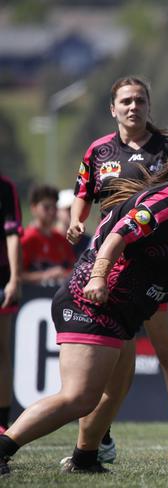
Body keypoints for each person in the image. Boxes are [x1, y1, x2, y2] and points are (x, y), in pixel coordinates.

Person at [0, 140, 168, 476]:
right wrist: (98, 278)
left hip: (120, 311)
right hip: (93, 300)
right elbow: (118, 235)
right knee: (79, 397)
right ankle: (4, 449)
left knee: (115, 389)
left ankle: (85, 458)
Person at [66, 76, 168, 465]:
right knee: (111, 366)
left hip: (154, 270)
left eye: (140, 100)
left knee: (167, 354)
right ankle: (97, 438)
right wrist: (77, 221)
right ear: (113, 108)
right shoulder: (98, 150)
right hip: (112, 269)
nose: (133, 106)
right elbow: (82, 195)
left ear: (148, 106)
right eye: (125, 101)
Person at [0, 174, 22, 435]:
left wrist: (15, 279)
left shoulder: (6, 187)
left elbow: (13, 234)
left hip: (2, 276)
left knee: (1, 349)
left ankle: (3, 421)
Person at [21, 185, 75, 287]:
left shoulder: (61, 239)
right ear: (33, 208)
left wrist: (63, 273)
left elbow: (72, 269)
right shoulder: (26, 238)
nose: (51, 211)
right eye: (46, 207)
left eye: (54, 207)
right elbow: (17, 275)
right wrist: (45, 275)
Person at [56, 189, 91, 259]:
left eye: (75, 209)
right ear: (57, 211)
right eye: (68, 209)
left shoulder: (89, 242)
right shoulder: (49, 239)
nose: (73, 212)